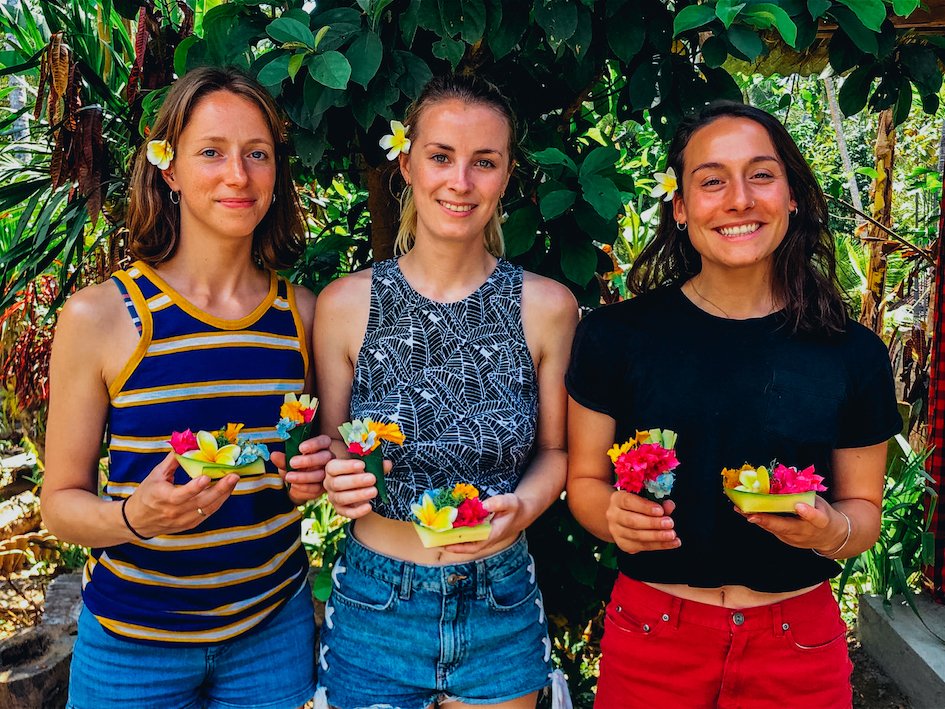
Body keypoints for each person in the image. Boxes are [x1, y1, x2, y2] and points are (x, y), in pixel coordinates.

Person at [566, 102, 901, 708]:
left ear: (793, 196)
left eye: (762, 175)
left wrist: (831, 529)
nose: (739, 199)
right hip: (652, 637)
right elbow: (586, 485)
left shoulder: (853, 354)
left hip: (798, 646)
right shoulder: (616, 337)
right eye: (712, 180)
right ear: (682, 208)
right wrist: (612, 515)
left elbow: (863, 515)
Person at [41, 66, 331, 709]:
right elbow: (59, 503)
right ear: (168, 170)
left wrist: (315, 473)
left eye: (257, 154)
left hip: (272, 634)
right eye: (211, 152)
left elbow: (319, 461)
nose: (239, 175)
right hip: (130, 647)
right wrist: (132, 518)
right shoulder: (101, 317)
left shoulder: (304, 315)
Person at [314, 74, 577, 709]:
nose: (460, 182)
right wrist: (335, 474)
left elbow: (556, 452)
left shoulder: (546, 307)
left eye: (484, 162)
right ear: (406, 163)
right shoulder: (346, 304)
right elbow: (329, 446)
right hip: (375, 602)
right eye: (441, 157)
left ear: (507, 174)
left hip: (501, 598)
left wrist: (526, 507)